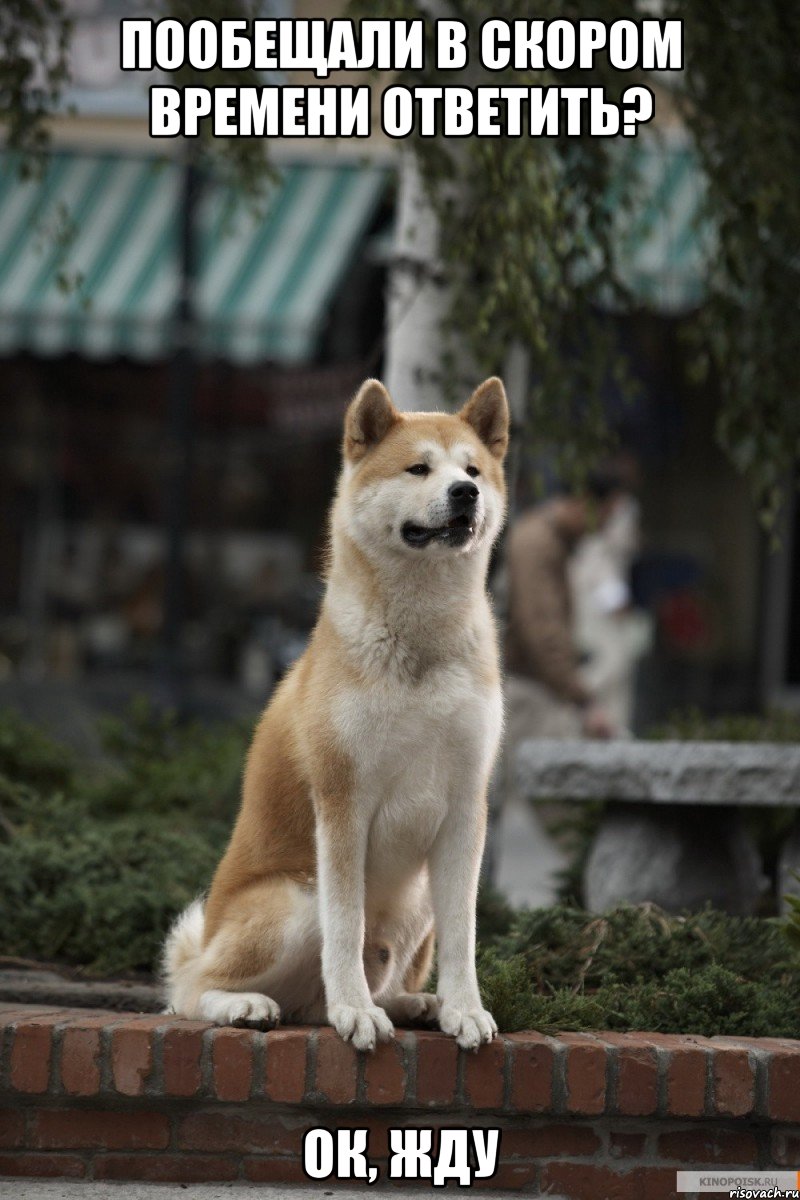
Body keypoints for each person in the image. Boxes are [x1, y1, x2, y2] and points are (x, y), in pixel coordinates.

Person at [504, 470, 627, 743]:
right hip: (527, 691)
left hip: (537, 687)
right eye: (606, 515)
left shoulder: (551, 541)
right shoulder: (538, 544)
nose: (605, 527)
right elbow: (542, 630)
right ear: (586, 502)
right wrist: (583, 701)